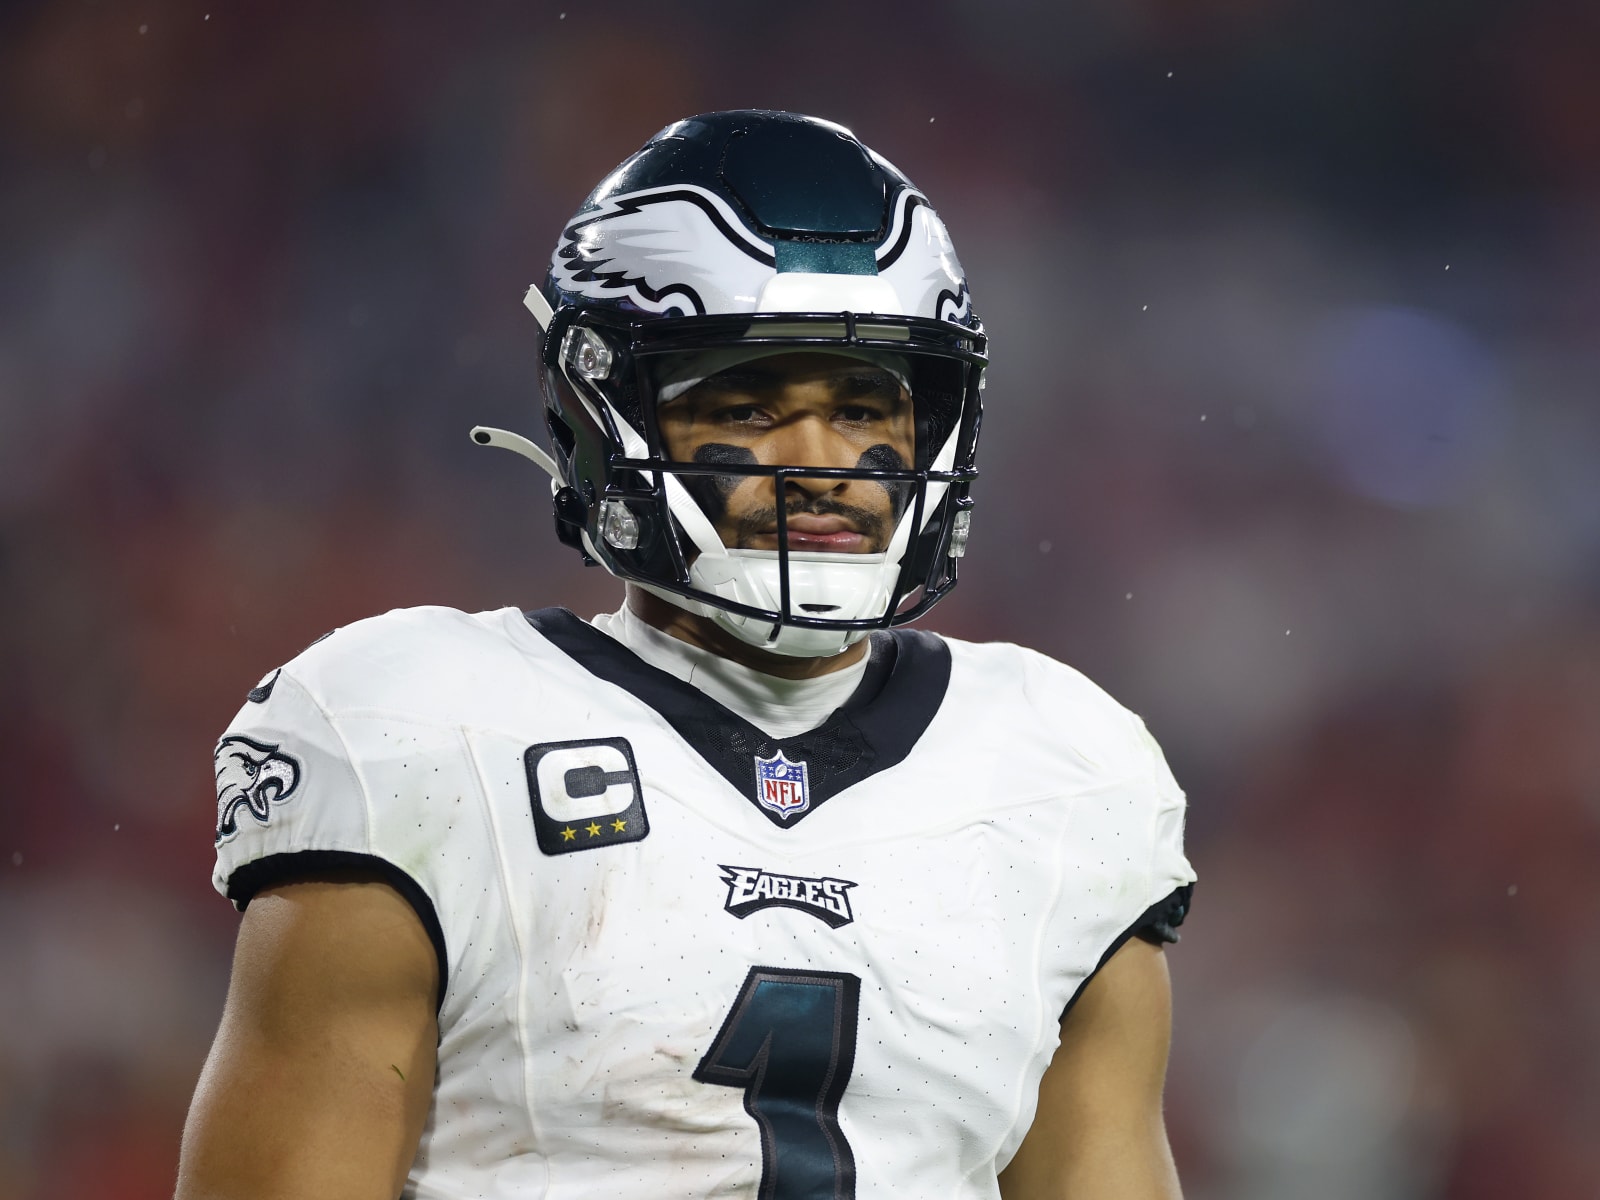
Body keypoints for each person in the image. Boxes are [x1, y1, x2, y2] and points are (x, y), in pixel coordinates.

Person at [175, 110, 1195, 1200]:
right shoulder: (419, 729)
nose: (825, 462)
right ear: (603, 412)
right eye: (750, 406)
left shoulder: (1064, 772)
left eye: (865, 407)